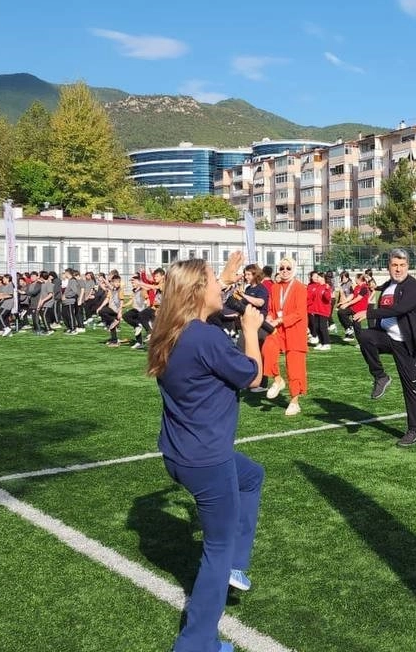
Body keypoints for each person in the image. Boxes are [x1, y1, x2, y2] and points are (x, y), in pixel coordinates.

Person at [145, 253, 264, 652]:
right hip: (207, 460)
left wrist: (225, 279)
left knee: (251, 476)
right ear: (197, 291)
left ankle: (236, 566)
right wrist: (251, 331)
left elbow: (205, 313)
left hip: (179, 454)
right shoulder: (205, 338)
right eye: (214, 281)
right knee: (217, 549)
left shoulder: (169, 329)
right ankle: (195, 644)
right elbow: (253, 376)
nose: (221, 287)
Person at [354, 249, 416, 447]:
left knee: (410, 387)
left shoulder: (413, 286)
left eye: (402, 265)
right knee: (365, 336)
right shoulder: (388, 285)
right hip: (389, 338)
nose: (398, 269)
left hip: (409, 344)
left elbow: (400, 309)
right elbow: (383, 298)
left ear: (408, 266)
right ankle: (380, 376)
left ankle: (414, 431)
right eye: (394, 265)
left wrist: (369, 313)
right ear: (388, 267)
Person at [262, 257, 308, 416]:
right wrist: (269, 316)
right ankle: (277, 380)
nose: (285, 271)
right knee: (267, 349)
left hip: (295, 330)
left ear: (293, 269)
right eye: (282, 268)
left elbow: (299, 313)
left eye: (288, 268)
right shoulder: (275, 287)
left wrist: (279, 320)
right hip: (278, 329)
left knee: (294, 368)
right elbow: (271, 308)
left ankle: (294, 402)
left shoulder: (300, 287)